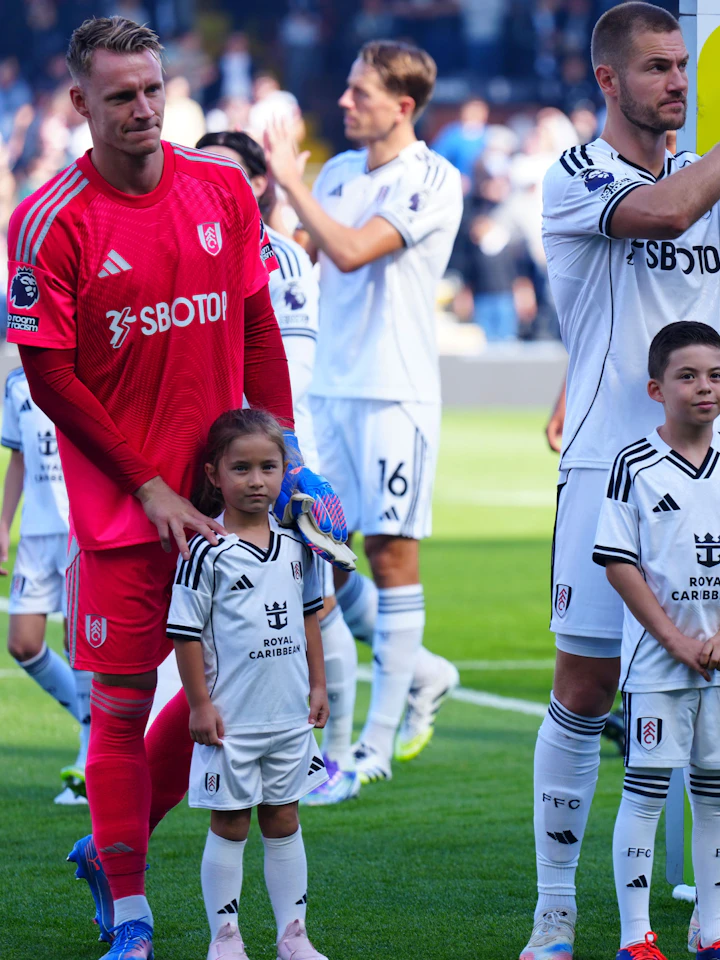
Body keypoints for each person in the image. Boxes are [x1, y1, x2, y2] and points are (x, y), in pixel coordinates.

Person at [5, 17, 343, 959]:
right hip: (124, 514)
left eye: (154, 89)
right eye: (121, 95)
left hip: (232, 510)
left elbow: (256, 323)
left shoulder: (221, 189)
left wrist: (284, 461)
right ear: (81, 103)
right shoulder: (48, 221)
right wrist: (151, 487)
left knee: (226, 697)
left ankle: (109, 854)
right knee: (115, 706)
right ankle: (132, 911)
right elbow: (52, 378)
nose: (144, 109)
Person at [522, 4, 720, 958]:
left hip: (719, 478)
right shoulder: (580, 173)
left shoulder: (718, 172)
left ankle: (715, 920)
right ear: (608, 81)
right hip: (606, 465)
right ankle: (555, 915)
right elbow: (663, 214)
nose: (677, 81)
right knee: (584, 687)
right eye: (658, 68)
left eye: (682, 66)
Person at [266, 39, 463, 785]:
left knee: (389, 553)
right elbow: (313, 260)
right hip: (331, 389)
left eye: (360, 93)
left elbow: (351, 251)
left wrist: (289, 181)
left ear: (402, 106)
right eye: (346, 88)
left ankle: (371, 750)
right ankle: (425, 673)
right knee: (321, 546)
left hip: (394, 389)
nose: (345, 103)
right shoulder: (342, 172)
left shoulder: (432, 178)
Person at [196, 129, 361, 806]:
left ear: (259, 183)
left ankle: (337, 757)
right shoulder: (199, 245)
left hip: (273, 455)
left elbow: (284, 365)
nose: (207, 184)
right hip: (225, 453)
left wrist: (283, 461)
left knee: (314, 606)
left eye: (225, 173)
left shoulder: (279, 258)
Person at [594, 322, 720, 960]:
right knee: (647, 790)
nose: (705, 388)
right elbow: (618, 562)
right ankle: (635, 937)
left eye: (716, 376)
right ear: (655, 387)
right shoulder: (633, 465)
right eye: (688, 376)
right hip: (659, 663)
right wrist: (672, 638)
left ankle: (719, 929)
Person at [168, 408, 330, 960]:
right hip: (231, 720)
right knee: (232, 822)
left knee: (285, 817)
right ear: (214, 474)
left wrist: (319, 686)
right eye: (241, 468)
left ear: (286, 471)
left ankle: (294, 936)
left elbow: (310, 618)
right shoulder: (204, 551)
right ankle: (226, 938)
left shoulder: (296, 547)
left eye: (268, 467)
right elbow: (186, 634)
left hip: (287, 715)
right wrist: (199, 705)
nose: (256, 480)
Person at [1, 365, 91, 805]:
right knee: (22, 643)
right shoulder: (16, 384)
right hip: (37, 533)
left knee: (80, 642)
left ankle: (89, 759)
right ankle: (104, 729)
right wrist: (3, 524)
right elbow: (18, 458)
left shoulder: (89, 371)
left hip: (83, 526)